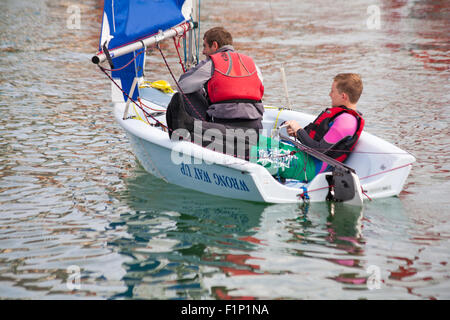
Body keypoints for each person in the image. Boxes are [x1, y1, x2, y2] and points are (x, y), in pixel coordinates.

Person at [250, 73, 365, 182]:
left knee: (248, 152)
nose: (330, 94)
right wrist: (297, 133)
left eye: (332, 91)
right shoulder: (341, 117)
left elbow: (319, 150)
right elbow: (315, 142)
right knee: (251, 139)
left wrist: (299, 130)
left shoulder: (346, 121)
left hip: (309, 168)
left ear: (343, 96)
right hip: (301, 155)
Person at [176, 26, 265, 131]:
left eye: (205, 47)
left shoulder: (211, 63)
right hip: (254, 127)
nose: (203, 52)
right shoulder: (251, 64)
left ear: (214, 45)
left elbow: (182, 86)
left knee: (186, 93)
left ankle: (196, 131)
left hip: (223, 127)